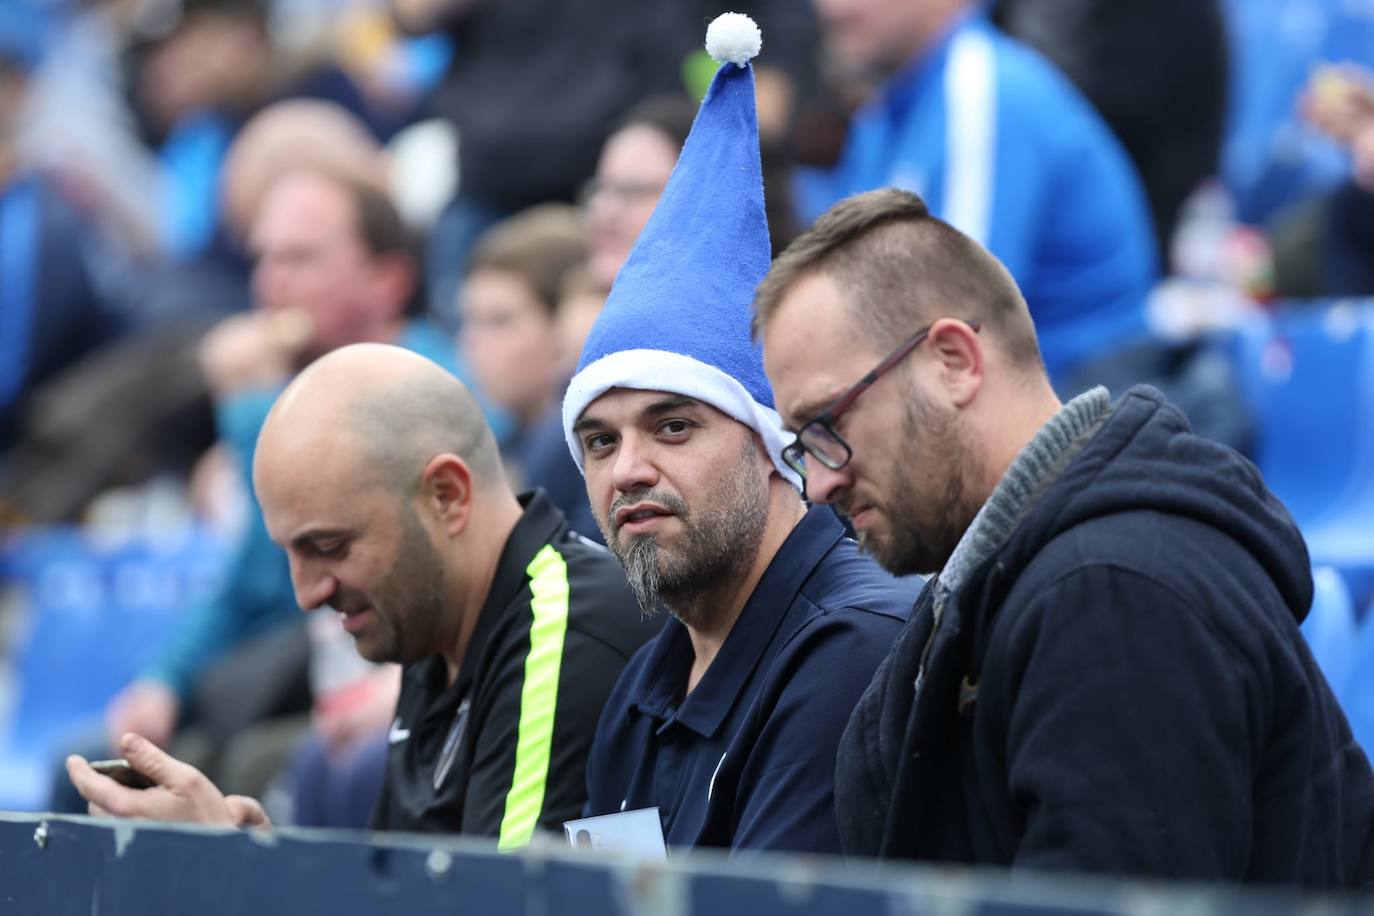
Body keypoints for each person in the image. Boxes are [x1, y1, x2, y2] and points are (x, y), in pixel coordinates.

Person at [752, 186, 1374, 885]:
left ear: (954, 361)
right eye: (801, 447)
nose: (819, 482)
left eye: (827, 426)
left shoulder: (1115, 598)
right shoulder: (1024, 576)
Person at [561, 15, 915, 855]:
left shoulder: (850, 651)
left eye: (673, 426)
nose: (629, 471)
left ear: (772, 446)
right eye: (599, 443)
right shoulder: (645, 687)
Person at [68, 343, 659, 843]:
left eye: (328, 547)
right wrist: (248, 860)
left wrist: (235, 882)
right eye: (291, 554)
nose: (306, 594)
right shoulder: (437, 622)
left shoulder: (561, 636)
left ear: (447, 497)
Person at [802, 0, 1157, 385]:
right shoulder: (885, 111)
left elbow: (952, 331)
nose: (830, 8)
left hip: (1075, 406)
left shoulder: (985, 93)